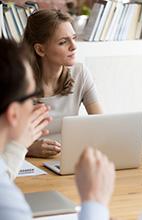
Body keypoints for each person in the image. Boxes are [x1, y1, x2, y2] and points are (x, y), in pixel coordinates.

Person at [0, 39, 115, 219]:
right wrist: (95, 201)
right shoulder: (7, 202)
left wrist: (19, 144)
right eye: (31, 96)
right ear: (13, 114)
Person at [23, 9, 102, 158]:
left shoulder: (80, 73)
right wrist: (29, 149)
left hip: (66, 162)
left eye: (73, 38)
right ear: (40, 49)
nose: (74, 46)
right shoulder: (19, 82)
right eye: (63, 42)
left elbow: (101, 124)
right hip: (26, 167)